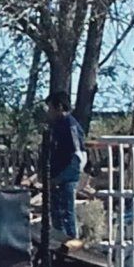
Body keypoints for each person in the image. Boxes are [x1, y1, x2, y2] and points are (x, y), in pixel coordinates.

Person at [46, 91, 86, 239]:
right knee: (56, 216)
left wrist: (62, 177)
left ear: (60, 107)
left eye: (51, 108)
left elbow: (78, 155)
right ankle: (58, 246)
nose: (49, 112)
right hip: (56, 178)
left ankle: (71, 248)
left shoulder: (71, 126)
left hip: (66, 178)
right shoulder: (57, 126)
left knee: (66, 215)